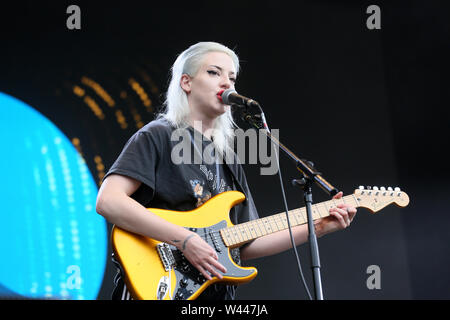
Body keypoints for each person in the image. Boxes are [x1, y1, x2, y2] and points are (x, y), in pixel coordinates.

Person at [95, 41, 357, 300]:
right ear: (186, 82)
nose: (227, 83)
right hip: (157, 285)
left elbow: (245, 243)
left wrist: (318, 227)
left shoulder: (227, 158)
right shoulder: (158, 135)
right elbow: (109, 201)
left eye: (232, 78)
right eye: (214, 72)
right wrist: (185, 240)